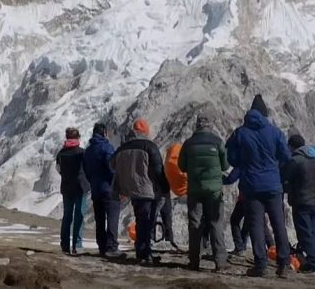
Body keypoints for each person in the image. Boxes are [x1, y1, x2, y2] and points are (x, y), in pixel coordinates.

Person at [227, 94, 292, 278]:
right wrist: (274, 166)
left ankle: (261, 265)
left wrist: (244, 162)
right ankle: (284, 264)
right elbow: (287, 157)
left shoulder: (240, 133)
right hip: (273, 186)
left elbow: (230, 157)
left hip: (251, 186)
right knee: (279, 224)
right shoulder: (275, 132)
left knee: (255, 225)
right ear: (265, 114)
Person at [110, 118, 167, 265]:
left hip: (132, 189)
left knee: (141, 219)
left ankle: (142, 251)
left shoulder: (122, 148)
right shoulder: (149, 146)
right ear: (145, 132)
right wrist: (165, 187)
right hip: (147, 189)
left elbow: (111, 164)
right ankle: (144, 253)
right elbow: (158, 169)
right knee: (146, 221)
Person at [178, 113, 230, 272]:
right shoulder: (218, 142)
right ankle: (220, 262)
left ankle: (194, 261)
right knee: (216, 223)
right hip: (214, 191)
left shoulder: (188, 144)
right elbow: (225, 166)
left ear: (196, 125)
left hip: (195, 190)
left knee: (195, 224)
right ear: (210, 125)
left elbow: (181, 166)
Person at [281, 133, 315, 274]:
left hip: (301, 202)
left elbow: (283, 176)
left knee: (304, 234)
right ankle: (314, 262)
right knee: (313, 232)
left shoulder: (295, 161)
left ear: (291, 146)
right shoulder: (314, 159)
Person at [83, 122, 124, 258]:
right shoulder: (107, 147)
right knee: (112, 217)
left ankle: (102, 247)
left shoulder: (88, 151)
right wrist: (117, 184)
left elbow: (87, 172)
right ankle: (111, 247)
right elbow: (112, 167)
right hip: (109, 189)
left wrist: (93, 182)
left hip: (95, 190)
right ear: (104, 133)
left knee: (100, 219)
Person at [55, 127, 90, 255]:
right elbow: (87, 169)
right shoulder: (82, 153)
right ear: (78, 138)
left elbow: (58, 169)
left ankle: (64, 245)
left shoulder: (61, 154)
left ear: (67, 138)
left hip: (66, 187)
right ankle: (77, 245)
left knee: (67, 216)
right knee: (79, 216)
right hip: (80, 188)